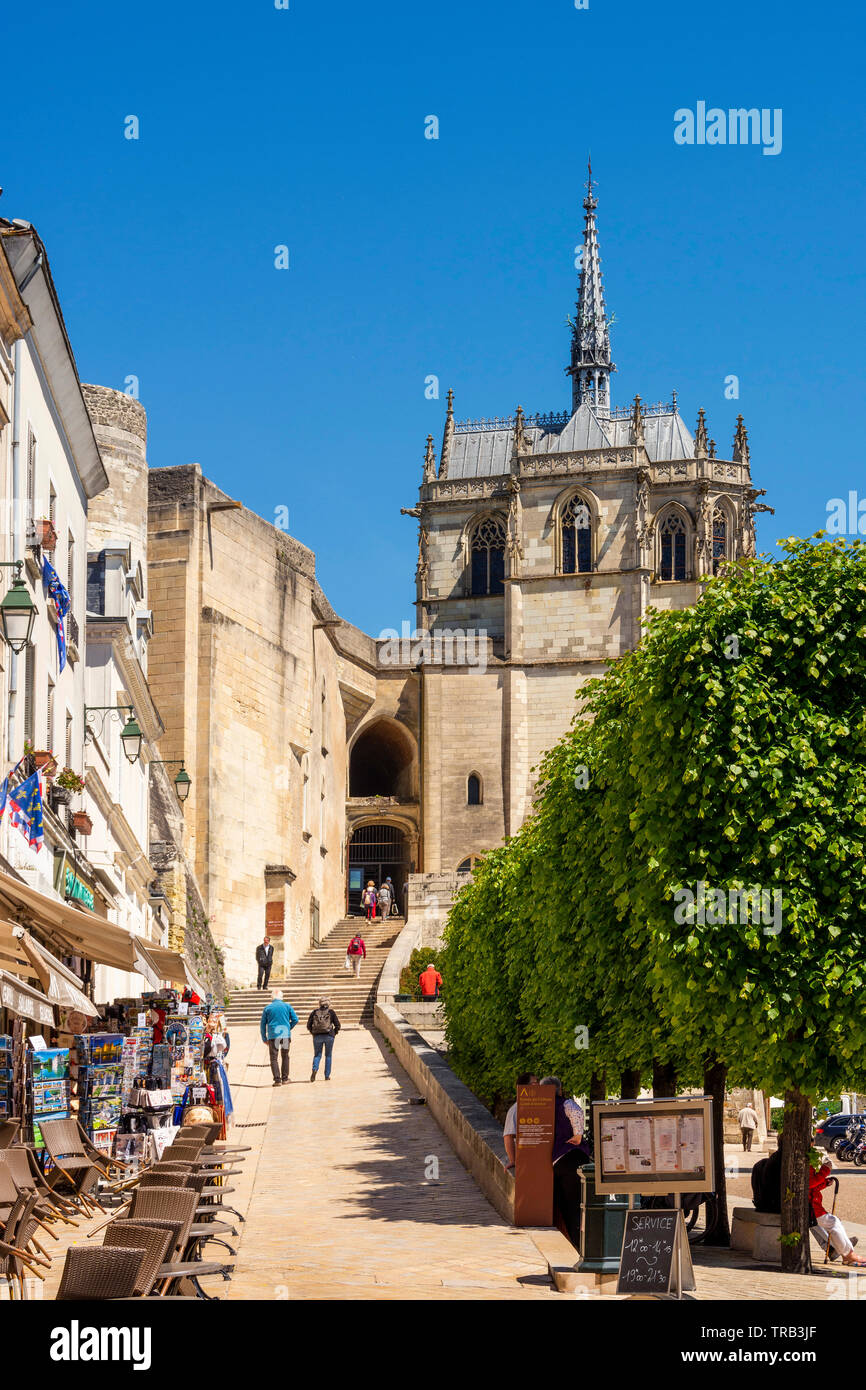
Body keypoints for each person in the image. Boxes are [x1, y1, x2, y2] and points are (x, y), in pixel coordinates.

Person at [541, 1074, 589, 1250]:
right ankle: (580, 1245)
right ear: (559, 1089)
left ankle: (574, 1243)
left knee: (565, 1207)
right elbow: (577, 1112)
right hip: (572, 1157)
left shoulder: (541, 1107)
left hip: (556, 1162)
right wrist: (578, 1135)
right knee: (576, 1204)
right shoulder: (565, 1103)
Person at [810, 1152, 865, 1265]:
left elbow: (812, 1186)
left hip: (811, 1205)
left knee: (835, 1222)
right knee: (833, 1223)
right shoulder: (802, 1159)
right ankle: (848, 1255)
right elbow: (809, 1184)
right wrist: (825, 1170)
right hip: (810, 1206)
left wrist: (824, 1183)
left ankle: (847, 1253)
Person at [259, 987, 298, 1086]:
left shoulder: (267, 1008)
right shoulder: (287, 1006)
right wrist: (289, 1028)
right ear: (281, 997)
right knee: (285, 1056)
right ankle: (285, 1078)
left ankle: (277, 1080)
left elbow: (262, 1025)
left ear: (272, 997)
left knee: (274, 1058)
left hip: (273, 1036)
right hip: (285, 1035)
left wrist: (264, 1038)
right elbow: (295, 1019)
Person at [502, 1072, 538, 1171]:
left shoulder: (540, 1106)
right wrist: (513, 1161)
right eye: (535, 1083)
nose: (539, 1086)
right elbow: (508, 1136)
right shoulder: (516, 1109)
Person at [307, 996, 341, 1081]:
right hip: (329, 1036)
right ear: (328, 1003)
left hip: (317, 1036)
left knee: (317, 1055)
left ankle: (315, 1069)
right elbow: (338, 1025)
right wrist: (334, 1033)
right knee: (328, 1055)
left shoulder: (314, 1012)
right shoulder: (331, 1012)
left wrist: (313, 1033)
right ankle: (327, 1075)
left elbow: (308, 1025)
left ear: (320, 1003)